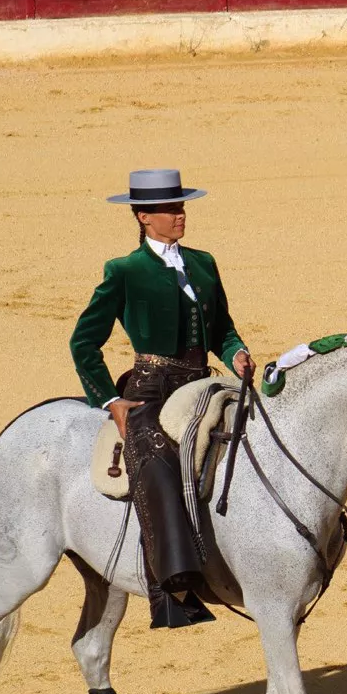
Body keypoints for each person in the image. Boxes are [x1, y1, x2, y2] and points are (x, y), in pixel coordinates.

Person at [70, 169, 254, 628]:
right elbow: (83, 342)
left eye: (182, 205)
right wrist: (110, 400)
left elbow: (222, 331)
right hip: (150, 390)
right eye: (170, 209)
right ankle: (174, 585)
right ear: (143, 216)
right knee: (155, 460)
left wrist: (237, 355)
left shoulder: (204, 262)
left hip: (201, 383)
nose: (180, 215)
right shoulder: (125, 271)